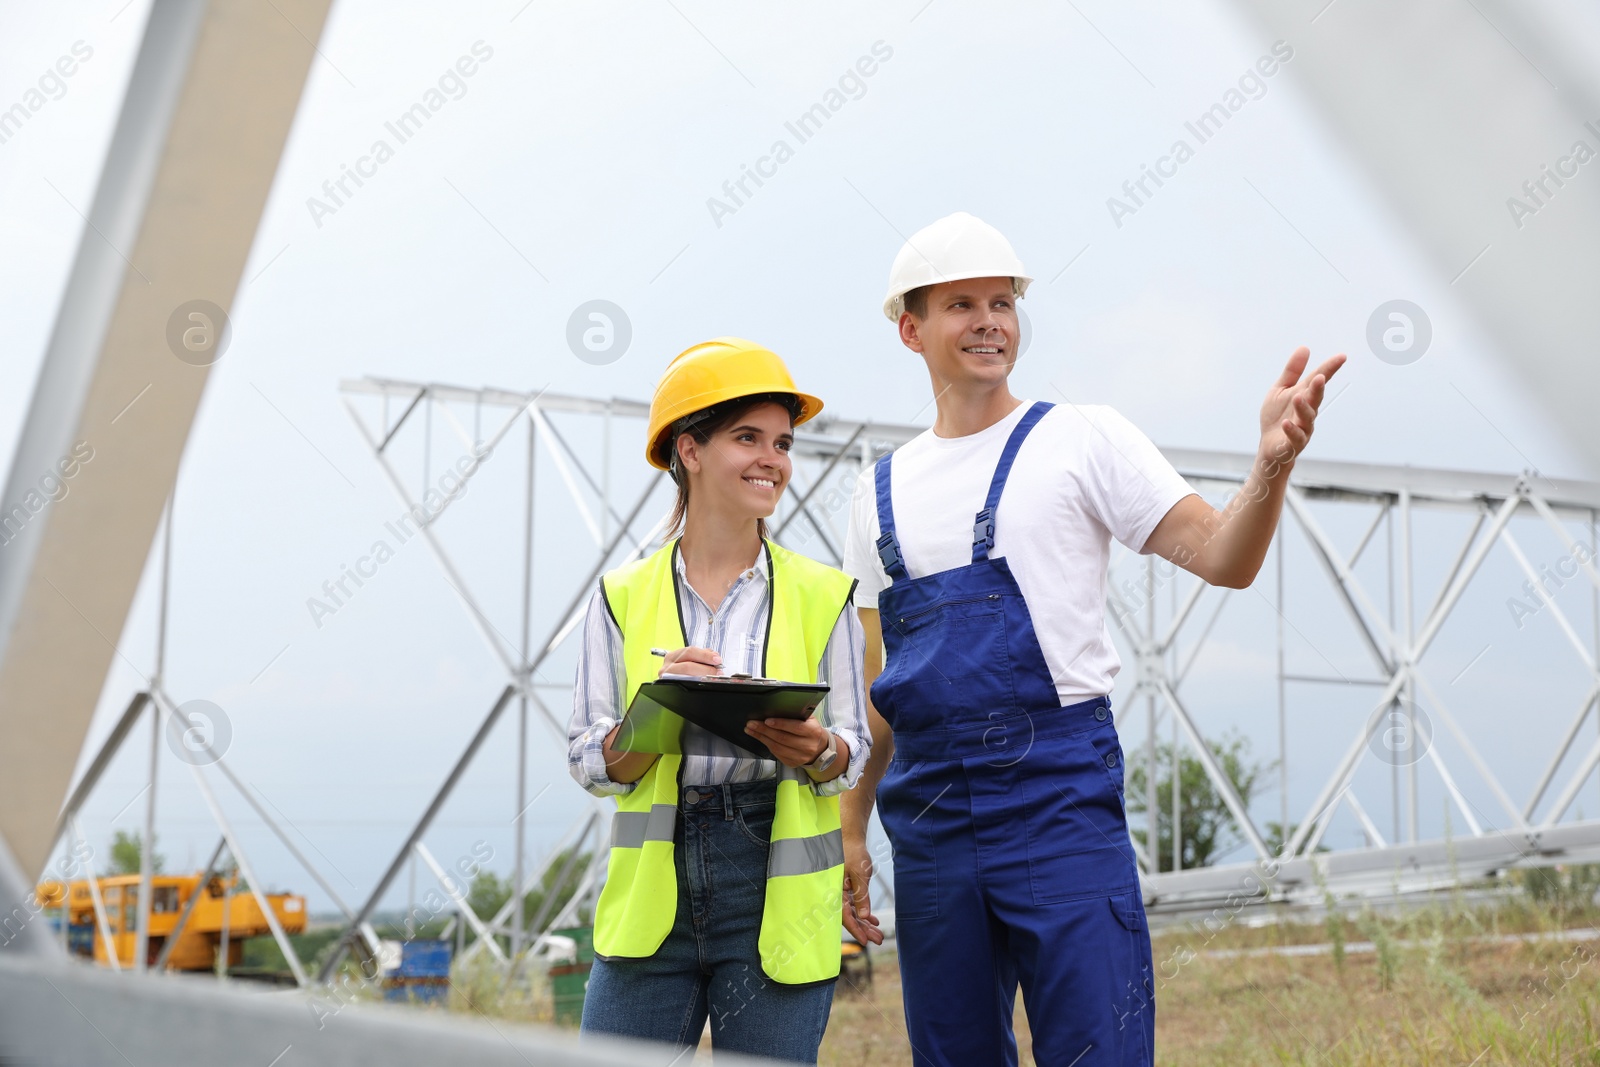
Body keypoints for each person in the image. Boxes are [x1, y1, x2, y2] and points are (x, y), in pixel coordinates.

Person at [838, 212, 1345, 1066]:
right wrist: (852, 827)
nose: (991, 320)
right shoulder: (874, 494)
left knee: (1098, 1048)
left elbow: (1223, 557)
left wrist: (1272, 465)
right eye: (962, 304)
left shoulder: (1084, 438)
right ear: (910, 328)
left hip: (1059, 802)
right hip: (927, 821)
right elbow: (880, 688)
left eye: (1002, 302)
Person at [567, 337, 870, 1064]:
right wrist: (658, 712)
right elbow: (588, 756)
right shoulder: (619, 595)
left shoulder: (827, 595)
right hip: (653, 896)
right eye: (748, 438)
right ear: (689, 450)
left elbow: (852, 747)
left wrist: (823, 751)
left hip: (776, 889)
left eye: (782, 443)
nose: (774, 459)